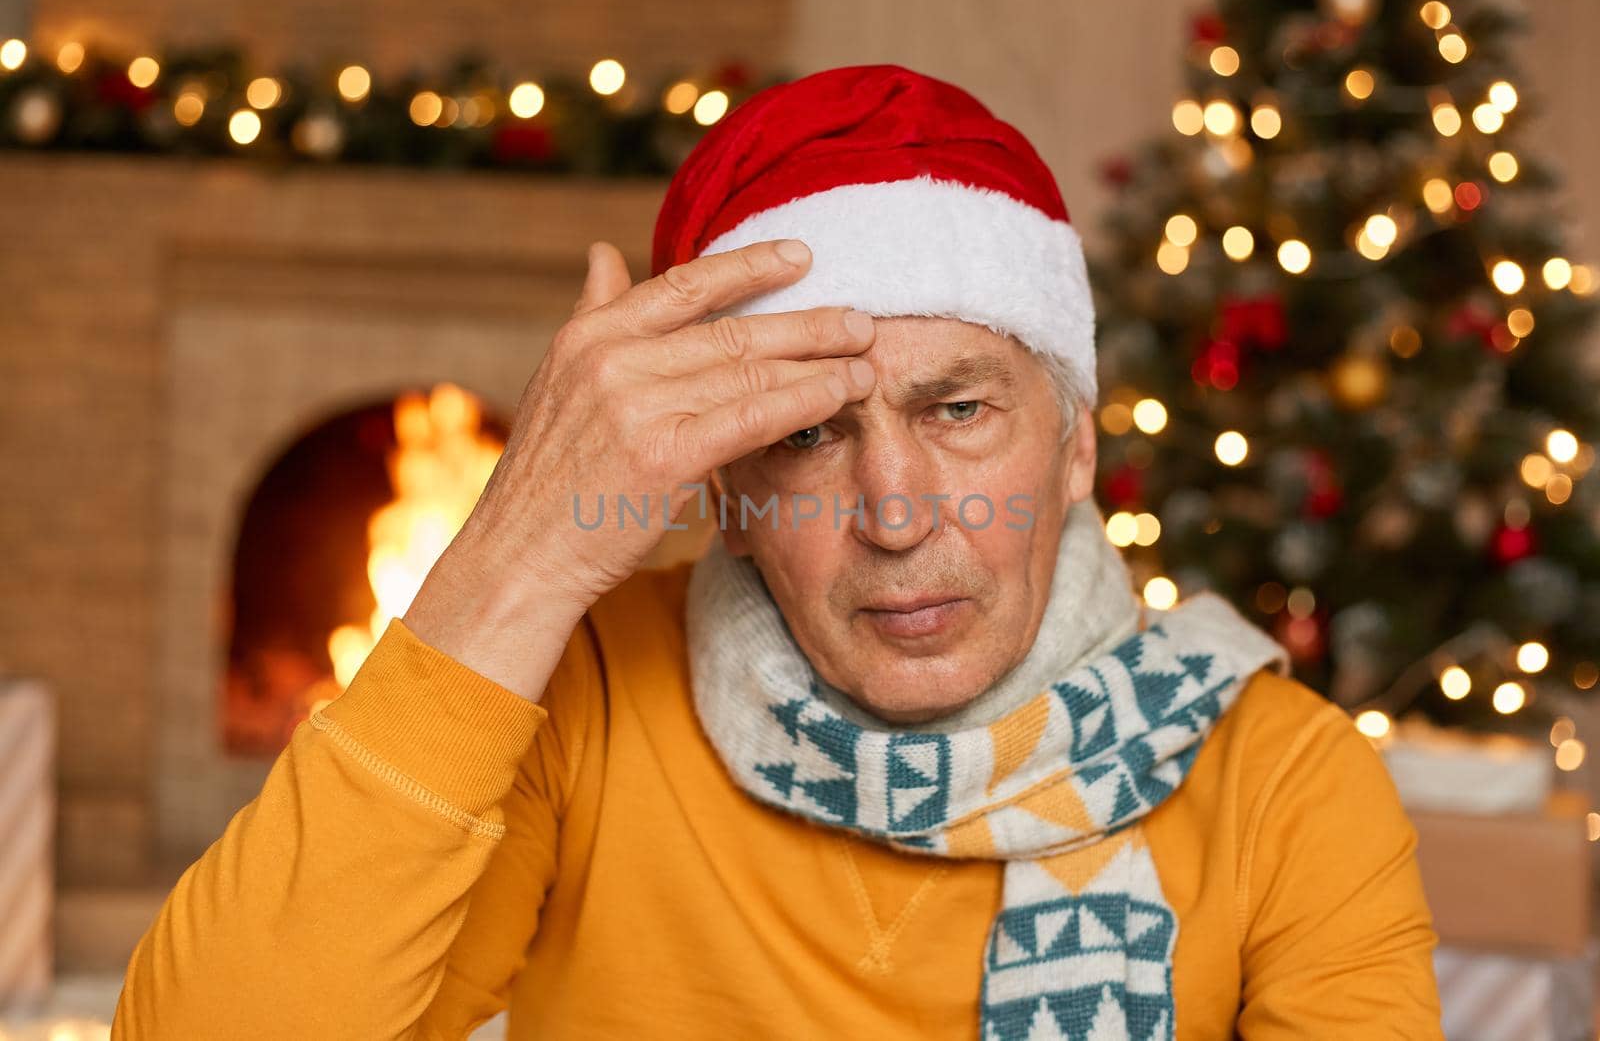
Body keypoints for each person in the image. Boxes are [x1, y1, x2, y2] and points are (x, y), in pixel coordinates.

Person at [112, 64, 1443, 1040]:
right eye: (807, 435)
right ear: (729, 481)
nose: (897, 513)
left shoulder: (1284, 788)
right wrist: (514, 559)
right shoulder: (585, 700)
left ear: (1078, 448)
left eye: (961, 409)